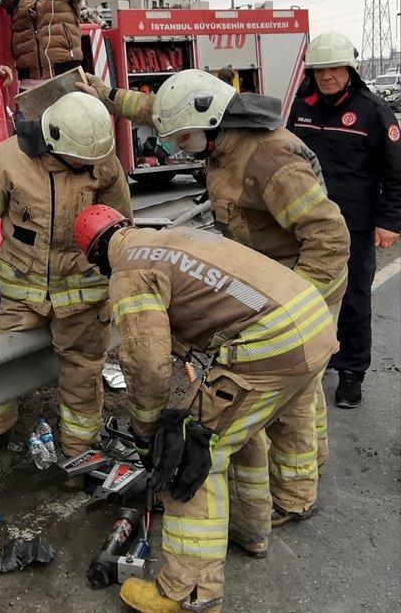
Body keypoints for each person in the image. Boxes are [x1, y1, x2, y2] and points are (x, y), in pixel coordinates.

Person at [80, 68, 349, 496]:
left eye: (183, 140)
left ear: (213, 123)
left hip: (298, 286)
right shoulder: (219, 134)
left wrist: (295, 307)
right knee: (287, 388)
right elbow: (162, 112)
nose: (176, 148)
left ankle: (295, 494)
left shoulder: (271, 160)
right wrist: (107, 94)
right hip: (261, 286)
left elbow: (330, 239)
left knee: (291, 398)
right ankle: (293, 481)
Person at [74, 206, 336, 613]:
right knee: (236, 429)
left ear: (95, 257)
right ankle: (250, 531)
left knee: (192, 454)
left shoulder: (127, 271)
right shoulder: (167, 237)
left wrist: (149, 435)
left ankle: (188, 593)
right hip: (310, 319)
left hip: (271, 343)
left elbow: (147, 366)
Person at [0, 92, 131, 458]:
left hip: (83, 293)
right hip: (16, 290)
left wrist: (124, 284)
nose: (89, 166)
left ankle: (79, 450)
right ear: (53, 141)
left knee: (83, 374)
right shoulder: (8, 160)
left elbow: (122, 231)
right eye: (79, 160)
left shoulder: (103, 163)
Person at [287, 31, 401, 408]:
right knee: (307, 297)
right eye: (321, 70)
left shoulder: (372, 110)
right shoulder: (302, 107)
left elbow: (395, 172)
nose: (328, 76)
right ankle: (324, 356)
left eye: (335, 68)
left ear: (350, 70)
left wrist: (390, 222)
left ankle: (352, 371)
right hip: (305, 227)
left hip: (354, 226)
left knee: (353, 300)